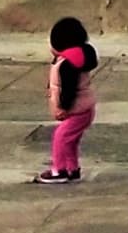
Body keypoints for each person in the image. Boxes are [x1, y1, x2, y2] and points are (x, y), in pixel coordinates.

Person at [38, 16, 99, 183]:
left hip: (77, 109)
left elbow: (68, 89)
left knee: (61, 137)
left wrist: (63, 107)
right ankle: (72, 168)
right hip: (84, 109)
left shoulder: (67, 64)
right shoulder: (72, 60)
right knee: (70, 141)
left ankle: (59, 170)